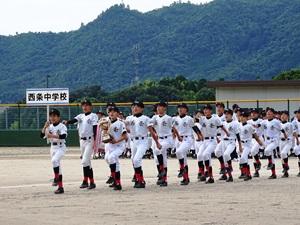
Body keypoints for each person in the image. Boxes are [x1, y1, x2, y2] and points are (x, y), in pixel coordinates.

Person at [63, 99, 98, 189]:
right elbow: (73, 120)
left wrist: (95, 142)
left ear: (90, 106)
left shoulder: (93, 116)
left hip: (90, 140)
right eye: (83, 105)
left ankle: (87, 181)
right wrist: (67, 122)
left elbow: (95, 129)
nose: (85, 107)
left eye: (86, 105)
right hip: (82, 141)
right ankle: (89, 182)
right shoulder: (80, 116)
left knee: (85, 161)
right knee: (86, 162)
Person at [149, 101, 178, 187]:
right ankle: (163, 179)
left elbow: (174, 128)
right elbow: (149, 124)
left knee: (159, 150)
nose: (159, 108)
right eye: (158, 107)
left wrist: (178, 136)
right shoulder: (155, 117)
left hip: (167, 139)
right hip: (159, 139)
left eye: (161, 107)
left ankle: (162, 172)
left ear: (164, 108)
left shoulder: (169, 118)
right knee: (162, 159)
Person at [197, 104, 228, 184]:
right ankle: (203, 173)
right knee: (199, 155)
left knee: (206, 154)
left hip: (212, 140)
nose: (206, 111)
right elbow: (195, 122)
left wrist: (227, 133)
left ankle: (209, 175)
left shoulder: (215, 119)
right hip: (204, 141)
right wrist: (197, 116)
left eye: (207, 109)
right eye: (204, 109)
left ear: (211, 111)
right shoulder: (202, 119)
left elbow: (221, 126)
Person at [41, 109, 67, 194]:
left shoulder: (62, 126)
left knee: (54, 160)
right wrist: (45, 127)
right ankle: (60, 187)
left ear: (58, 117)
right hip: (52, 148)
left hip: (60, 147)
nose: (52, 117)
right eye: (51, 116)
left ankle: (56, 179)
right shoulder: (49, 126)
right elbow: (41, 135)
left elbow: (63, 136)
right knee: (58, 168)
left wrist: (52, 135)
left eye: (54, 116)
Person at [130, 101, 153, 188]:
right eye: (133, 106)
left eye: (138, 106)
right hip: (133, 141)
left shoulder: (146, 118)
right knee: (133, 159)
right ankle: (138, 178)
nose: (135, 108)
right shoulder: (129, 118)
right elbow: (127, 130)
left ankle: (141, 180)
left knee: (136, 159)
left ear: (142, 109)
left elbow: (151, 131)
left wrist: (157, 142)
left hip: (143, 141)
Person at [105, 106, 127, 190]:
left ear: (117, 113)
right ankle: (116, 181)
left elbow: (125, 136)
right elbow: (105, 135)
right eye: (110, 111)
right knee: (107, 159)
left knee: (111, 157)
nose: (111, 113)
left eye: (114, 112)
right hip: (111, 146)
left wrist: (116, 141)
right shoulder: (106, 123)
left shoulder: (120, 123)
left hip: (119, 145)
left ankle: (116, 181)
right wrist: (106, 135)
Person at [262, 108, 287, 179]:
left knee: (267, 151)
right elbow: (258, 125)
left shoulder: (276, 121)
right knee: (271, 156)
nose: (268, 114)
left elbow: (281, 129)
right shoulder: (264, 122)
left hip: (274, 140)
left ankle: (269, 163)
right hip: (267, 141)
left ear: (273, 114)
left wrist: (285, 135)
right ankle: (273, 174)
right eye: (267, 113)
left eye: (270, 113)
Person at [239, 111, 263, 181]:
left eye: (244, 117)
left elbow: (254, 134)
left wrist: (259, 141)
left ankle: (248, 174)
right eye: (241, 116)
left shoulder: (249, 126)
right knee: (242, 159)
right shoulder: (239, 125)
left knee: (244, 158)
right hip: (241, 144)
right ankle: (247, 174)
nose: (242, 118)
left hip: (248, 144)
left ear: (247, 118)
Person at [220, 109, 242, 182]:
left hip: (231, 142)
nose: (226, 115)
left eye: (228, 114)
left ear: (231, 115)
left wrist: (240, 145)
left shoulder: (235, 123)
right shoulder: (223, 123)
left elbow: (238, 135)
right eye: (225, 114)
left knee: (226, 155)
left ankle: (230, 167)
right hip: (223, 142)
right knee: (224, 159)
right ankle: (229, 176)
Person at [280, 111, 299, 178]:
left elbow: (294, 133)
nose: (282, 116)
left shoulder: (290, 124)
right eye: (282, 115)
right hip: (281, 141)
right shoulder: (279, 124)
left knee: (283, 153)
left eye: (284, 115)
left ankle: (286, 166)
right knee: (282, 157)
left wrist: (297, 140)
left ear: (287, 117)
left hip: (288, 141)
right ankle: (285, 172)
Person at [248, 108, 264, 177]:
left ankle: (258, 162)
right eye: (252, 113)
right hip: (252, 139)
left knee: (253, 151)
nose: (253, 114)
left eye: (255, 113)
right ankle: (256, 171)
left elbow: (260, 124)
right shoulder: (248, 122)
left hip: (259, 138)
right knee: (253, 156)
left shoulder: (261, 121)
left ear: (258, 114)